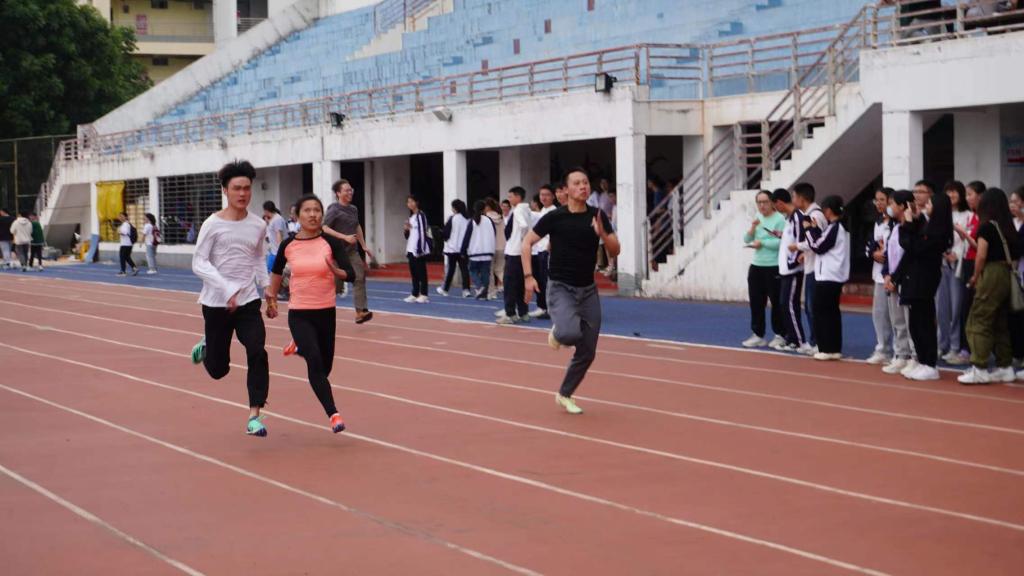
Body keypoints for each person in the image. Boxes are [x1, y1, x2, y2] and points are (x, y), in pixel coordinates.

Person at [522, 167, 620, 415]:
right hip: (561, 287)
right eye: (577, 183)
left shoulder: (598, 215)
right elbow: (527, 242)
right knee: (568, 333)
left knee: (588, 351)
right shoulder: (556, 217)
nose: (583, 187)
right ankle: (558, 333)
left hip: (588, 290)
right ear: (565, 190)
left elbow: (615, 250)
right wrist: (528, 277)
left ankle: (564, 394)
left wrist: (602, 234)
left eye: (585, 182)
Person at [190, 160, 272, 437]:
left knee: (257, 350)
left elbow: (258, 257)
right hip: (217, 304)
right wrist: (226, 289)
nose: (242, 193)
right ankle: (207, 345)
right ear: (225, 190)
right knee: (218, 370)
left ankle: (255, 416)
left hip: (248, 301)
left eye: (247, 188)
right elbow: (199, 263)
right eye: (237, 188)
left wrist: (267, 288)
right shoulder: (212, 224)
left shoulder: (258, 225)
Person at [266, 195, 354, 432]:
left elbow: (351, 273)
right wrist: (271, 298)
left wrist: (338, 272)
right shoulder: (288, 244)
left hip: (326, 312)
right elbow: (276, 272)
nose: (313, 214)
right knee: (314, 361)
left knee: (325, 369)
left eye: (317, 210)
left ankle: (299, 347)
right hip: (299, 312)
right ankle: (333, 414)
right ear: (297, 215)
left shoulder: (330, 242)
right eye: (307, 210)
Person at [959, 189, 1021, 384]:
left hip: (991, 273)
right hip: (1006, 274)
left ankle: (979, 367)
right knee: (1000, 322)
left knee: (979, 318)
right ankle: (1005, 366)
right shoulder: (1008, 226)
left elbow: (982, 255)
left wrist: (975, 276)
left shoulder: (986, 227)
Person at [896, 186, 952, 381]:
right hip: (915, 277)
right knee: (915, 322)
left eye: (929, 203)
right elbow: (914, 241)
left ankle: (930, 364)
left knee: (924, 322)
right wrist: (915, 220)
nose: (925, 205)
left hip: (925, 279)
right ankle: (922, 360)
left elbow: (913, 246)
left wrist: (908, 224)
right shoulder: (927, 225)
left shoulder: (939, 232)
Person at [805, 195, 850, 361]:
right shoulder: (837, 227)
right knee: (831, 313)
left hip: (828, 276)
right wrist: (815, 230)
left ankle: (825, 348)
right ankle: (833, 348)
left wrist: (808, 230)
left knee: (821, 312)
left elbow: (818, 246)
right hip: (832, 275)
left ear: (829, 210)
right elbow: (822, 242)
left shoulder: (835, 227)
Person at [323, 179, 375, 324]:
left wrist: (363, 245)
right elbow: (324, 228)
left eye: (351, 190)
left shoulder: (353, 209)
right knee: (334, 287)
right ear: (338, 193)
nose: (350, 192)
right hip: (336, 253)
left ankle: (360, 312)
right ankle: (318, 309)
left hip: (352, 252)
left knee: (359, 277)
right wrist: (344, 237)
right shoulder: (333, 209)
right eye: (346, 190)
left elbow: (356, 226)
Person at [742, 190, 786, 348]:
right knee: (756, 302)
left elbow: (781, 242)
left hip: (773, 266)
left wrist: (763, 243)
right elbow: (746, 239)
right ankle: (758, 334)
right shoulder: (758, 217)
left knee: (776, 302)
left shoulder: (780, 219)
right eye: (759, 202)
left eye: (765, 202)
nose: (762, 205)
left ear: (772, 202)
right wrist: (752, 228)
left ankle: (780, 334)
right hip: (756, 265)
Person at [881, 190, 917, 376]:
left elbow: (909, 255)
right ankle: (901, 354)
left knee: (910, 320)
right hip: (893, 279)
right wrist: (887, 274)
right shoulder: (895, 227)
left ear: (903, 206)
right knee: (897, 320)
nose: (890, 207)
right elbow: (888, 253)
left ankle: (914, 355)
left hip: (905, 279)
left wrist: (896, 278)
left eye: (892, 204)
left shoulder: (913, 227)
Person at [791, 182, 828, 354]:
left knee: (813, 307)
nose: (793, 200)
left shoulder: (815, 216)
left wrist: (798, 246)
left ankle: (818, 342)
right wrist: (804, 253)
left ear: (802, 198)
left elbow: (817, 241)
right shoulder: (809, 214)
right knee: (809, 306)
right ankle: (815, 341)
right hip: (811, 265)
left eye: (794, 196)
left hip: (816, 268)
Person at [937, 181, 970, 364]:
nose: (951, 195)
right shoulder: (939, 214)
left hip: (958, 266)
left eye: (954, 192)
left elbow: (969, 238)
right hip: (941, 265)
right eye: (948, 192)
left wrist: (956, 254)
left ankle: (955, 346)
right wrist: (943, 252)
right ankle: (942, 344)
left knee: (956, 308)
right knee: (941, 308)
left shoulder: (969, 215)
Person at [772, 189, 809, 352]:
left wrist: (793, 262)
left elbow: (801, 241)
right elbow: (792, 239)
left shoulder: (798, 217)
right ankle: (792, 338)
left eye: (775, 206)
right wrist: (781, 235)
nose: (776, 209)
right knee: (785, 304)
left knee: (789, 305)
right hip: (786, 269)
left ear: (779, 203)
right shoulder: (789, 219)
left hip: (793, 270)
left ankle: (799, 340)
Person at [954, 180, 985, 363]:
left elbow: (979, 246)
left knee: (972, 308)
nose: (967, 198)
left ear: (980, 196)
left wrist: (963, 233)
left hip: (976, 264)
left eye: (970, 194)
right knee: (965, 307)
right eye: (966, 194)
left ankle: (971, 349)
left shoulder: (984, 218)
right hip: (966, 263)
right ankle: (966, 348)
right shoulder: (972, 216)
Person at [867, 188, 895, 364]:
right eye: (876, 200)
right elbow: (871, 245)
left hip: (893, 274)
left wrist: (885, 254)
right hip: (879, 274)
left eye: (882, 200)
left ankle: (901, 352)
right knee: (879, 313)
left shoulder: (895, 223)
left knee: (896, 316)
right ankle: (883, 348)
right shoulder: (877, 222)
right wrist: (873, 253)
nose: (878, 203)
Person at [498, 186, 532, 324]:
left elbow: (524, 226)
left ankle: (510, 313)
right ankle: (523, 312)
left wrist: (522, 240)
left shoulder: (518, 210)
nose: (509, 199)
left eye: (511, 196)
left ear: (518, 197)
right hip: (522, 253)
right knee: (520, 284)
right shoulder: (527, 210)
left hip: (514, 252)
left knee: (510, 284)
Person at [528, 185, 558, 319]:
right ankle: (542, 306)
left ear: (553, 196)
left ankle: (549, 308)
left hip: (546, 251)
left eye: (547, 195)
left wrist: (548, 248)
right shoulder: (542, 211)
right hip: (537, 250)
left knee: (546, 281)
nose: (544, 197)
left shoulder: (554, 212)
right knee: (539, 280)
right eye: (542, 195)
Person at [438, 199, 472, 297]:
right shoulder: (468, 219)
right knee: (464, 270)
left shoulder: (452, 218)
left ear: (455, 208)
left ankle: (445, 289)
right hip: (464, 248)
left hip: (452, 248)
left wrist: (441, 234)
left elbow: (446, 234)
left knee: (451, 270)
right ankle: (466, 290)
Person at [464, 200, 496, 299]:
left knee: (472, 270)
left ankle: (479, 286)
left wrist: (463, 250)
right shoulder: (489, 221)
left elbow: (467, 237)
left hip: (475, 251)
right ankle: (484, 293)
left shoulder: (472, 221)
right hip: (488, 250)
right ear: (484, 209)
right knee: (485, 273)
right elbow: (494, 233)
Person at [403, 196, 430, 303]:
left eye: (412, 201)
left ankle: (424, 294)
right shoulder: (411, 217)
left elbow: (423, 233)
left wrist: (420, 249)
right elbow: (407, 236)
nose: (410, 204)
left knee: (422, 272)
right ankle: (415, 293)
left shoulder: (421, 216)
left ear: (417, 202)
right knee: (414, 273)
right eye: (408, 202)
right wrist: (406, 229)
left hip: (418, 249)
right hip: (411, 248)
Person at [1010, 187, 1024, 377]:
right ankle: (1018, 354)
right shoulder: (1012, 222)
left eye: (1016, 201)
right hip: (1018, 274)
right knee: (1017, 316)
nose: (1012, 205)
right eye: (1011, 201)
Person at [484, 197, 505, 300]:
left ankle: (491, 292)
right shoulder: (501, 217)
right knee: (500, 270)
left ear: (488, 207)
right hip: (502, 246)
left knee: (490, 270)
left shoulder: (486, 218)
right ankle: (510, 285)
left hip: (491, 247)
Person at [263, 201, 289, 272]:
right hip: (273, 252)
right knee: (269, 272)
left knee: (273, 273)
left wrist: (280, 252)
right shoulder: (273, 219)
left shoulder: (277, 219)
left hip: (277, 253)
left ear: (266, 210)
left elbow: (279, 234)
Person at [115, 212, 139, 277]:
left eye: (122, 216)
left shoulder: (125, 224)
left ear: (126, 217)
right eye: (119, 216)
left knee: (122, 257)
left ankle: (123, 272)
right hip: (128, 244)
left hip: (125, 244)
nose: (120, 217)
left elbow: (125, 232)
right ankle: (134, 268)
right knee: (127, 257)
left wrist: (119, 231)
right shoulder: (126, 224)